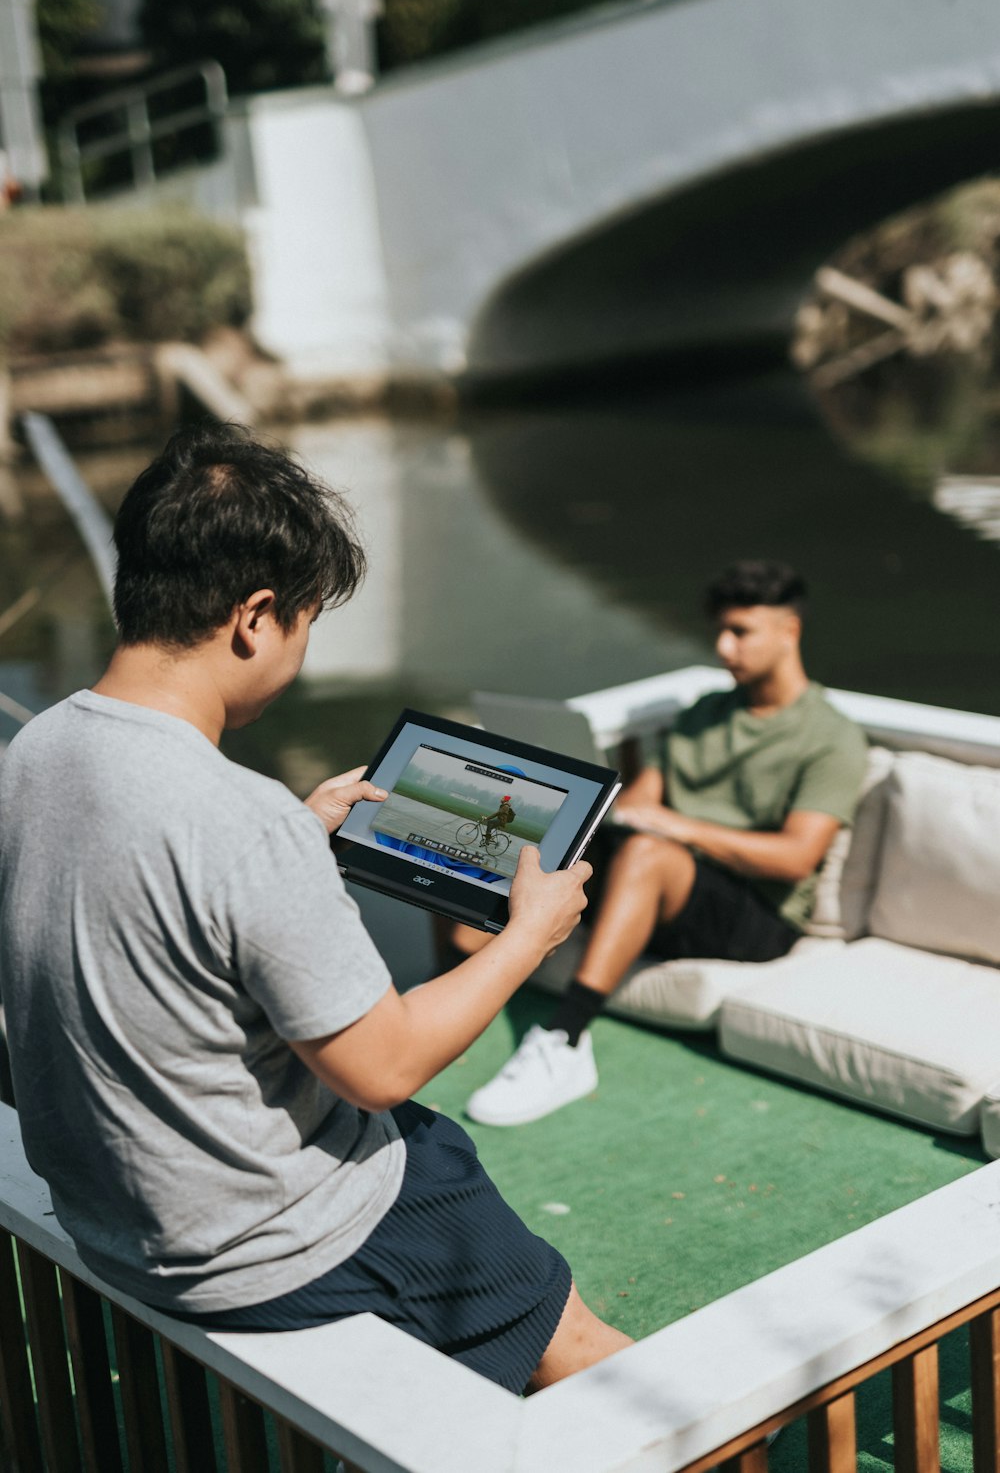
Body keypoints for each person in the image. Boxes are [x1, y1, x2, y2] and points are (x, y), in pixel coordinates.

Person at [0, 423, 630, 1395]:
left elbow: (151, 892)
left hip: (125, 1224)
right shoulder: (240, 821)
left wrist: (293, 832)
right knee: (581, 1344)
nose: (295, 646)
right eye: (304, 621)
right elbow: (381, 1066)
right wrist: (530, 933)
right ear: (255, 616)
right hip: (273, 1242)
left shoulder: (35, 754)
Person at [465, 560, 869, 1127]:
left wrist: (679, 828)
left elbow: (796, 857)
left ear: (789, 631)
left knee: (651, 852)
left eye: (741, 632)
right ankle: (456, 985)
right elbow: (640, 808)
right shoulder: (701, 714)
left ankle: (566, 1039)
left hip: (756, 916)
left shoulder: (830, 736)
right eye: (720, 632)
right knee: (524, 837)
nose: (725, 647)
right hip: (664, 883)